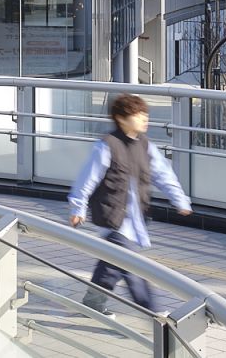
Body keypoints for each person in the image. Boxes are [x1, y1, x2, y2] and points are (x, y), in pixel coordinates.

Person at [68, 93, 192, 314]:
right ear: (121, 118)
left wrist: (179, 199)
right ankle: (154, 313)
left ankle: (93, 301)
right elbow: (88, 178)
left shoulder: (145, 145)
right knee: (132, 265)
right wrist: (78, 208)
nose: (145, 118)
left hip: (136, 218)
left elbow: (163, 175)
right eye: (138, 114)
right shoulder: (107, 145)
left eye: (145, 114)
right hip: (112, 218)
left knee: (112, 265)